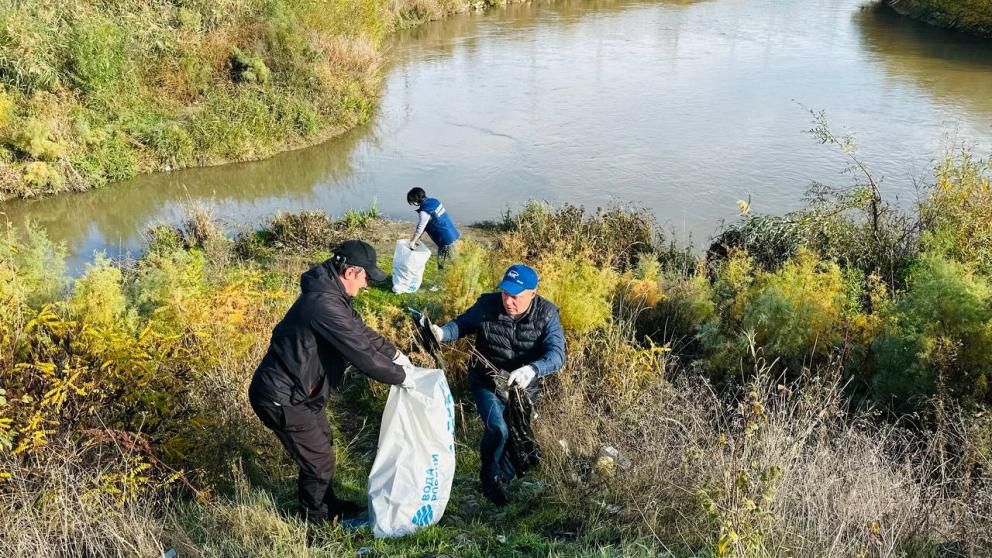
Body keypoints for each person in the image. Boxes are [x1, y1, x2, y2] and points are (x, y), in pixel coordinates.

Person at [248, 239, 413, 524]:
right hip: (281, 398)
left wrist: (397, 355)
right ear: (350, 273)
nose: (366, 286)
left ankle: (328, 505)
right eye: (366, 278)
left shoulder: (332, 296)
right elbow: (363, 355)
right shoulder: (324, 306)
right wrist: (404, 378)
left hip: (301, 394)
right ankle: (315, 522)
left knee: (322, 443)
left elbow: (361, 332)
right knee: (319, 462)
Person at [430, 264, 565, 506]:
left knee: (517, 438)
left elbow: (557, 354)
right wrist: (440, 333)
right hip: (487, 381)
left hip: (523, 388)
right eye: (505, 293)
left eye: (515, 296)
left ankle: (500, 480)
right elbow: (462, 325)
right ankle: (489, 479)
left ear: (532, 294)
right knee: (497, 429)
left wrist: (532, 369)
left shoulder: (547, 314)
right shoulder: (488, 305)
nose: (508, 301)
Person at [407, 187, 460, 269]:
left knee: (457, 264)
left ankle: (462, 280)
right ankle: (441, 279)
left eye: (412, 200)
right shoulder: (434, 201)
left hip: (446, 239)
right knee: (441, 263)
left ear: (416, 200)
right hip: (453, 233)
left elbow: (420, 228)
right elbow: (428, 222)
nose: (412, 203)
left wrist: (412, 242)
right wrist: (417, 238)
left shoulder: (424, 211)